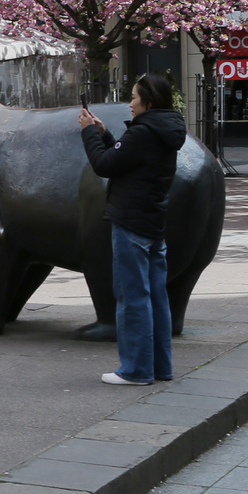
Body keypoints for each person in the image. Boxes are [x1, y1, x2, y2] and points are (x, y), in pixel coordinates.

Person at [79, 74, 186, 386]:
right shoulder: (164, 129)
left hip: (130, 223)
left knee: (131, 297)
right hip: (153, 222)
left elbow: (104, 165)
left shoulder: (142, 132)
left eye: (135, 97)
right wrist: (105, 133)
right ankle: (160, 367)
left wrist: (87, 133)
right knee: (156, 297)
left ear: (149, 101)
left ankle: (136, 370)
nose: (130, 103)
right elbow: (126, 158)